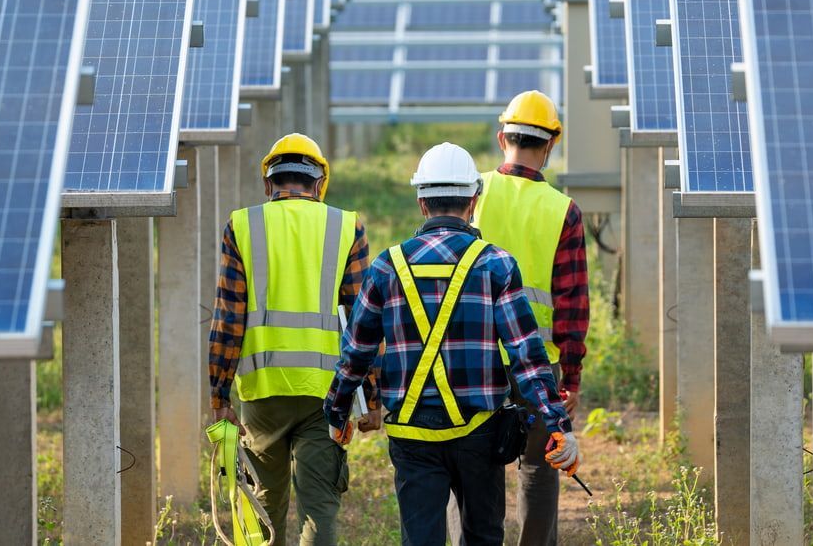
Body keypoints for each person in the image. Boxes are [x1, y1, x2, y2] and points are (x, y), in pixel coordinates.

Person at [324, 142, 581, 546]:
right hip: (480, 433)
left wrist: (337, 412)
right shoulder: (495, 264)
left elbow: (355, 353)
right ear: (474, 199)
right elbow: (527, 356)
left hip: (412, 438)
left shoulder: (387, 267)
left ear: (421, 202)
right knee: (482, 537)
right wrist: (558, 424)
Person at [208, 133, 377, 546]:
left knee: (263, 506)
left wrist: (218, 396)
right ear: (320, 183)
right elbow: (363, 321)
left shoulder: (242, 225)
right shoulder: (346, 226)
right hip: (327, 393)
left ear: (269, 183)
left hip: (263, 393)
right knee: (319, 506)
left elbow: (228, 317)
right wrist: (371, 397)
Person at [473, 90, 590, 545]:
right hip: (538, 362)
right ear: (551, 145)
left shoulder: (473, 192)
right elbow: (572, 302)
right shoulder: (564, 211)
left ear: (502, 136)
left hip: (472, 356)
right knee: (540, 469)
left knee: (471, 461)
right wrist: (572, 378)